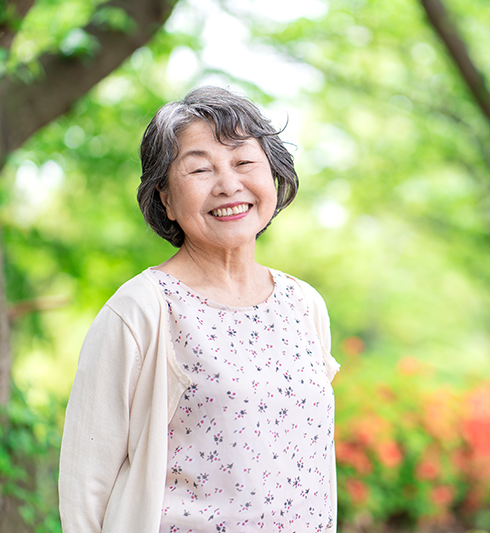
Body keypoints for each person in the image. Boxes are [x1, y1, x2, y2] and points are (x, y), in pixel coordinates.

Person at [58, 86, 340, 533]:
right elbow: (85, 486)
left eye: (244, 162)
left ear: (274, 175)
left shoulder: (304, 304)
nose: (228, 184)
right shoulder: (141, 310)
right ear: (165, 198)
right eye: (200, 169)